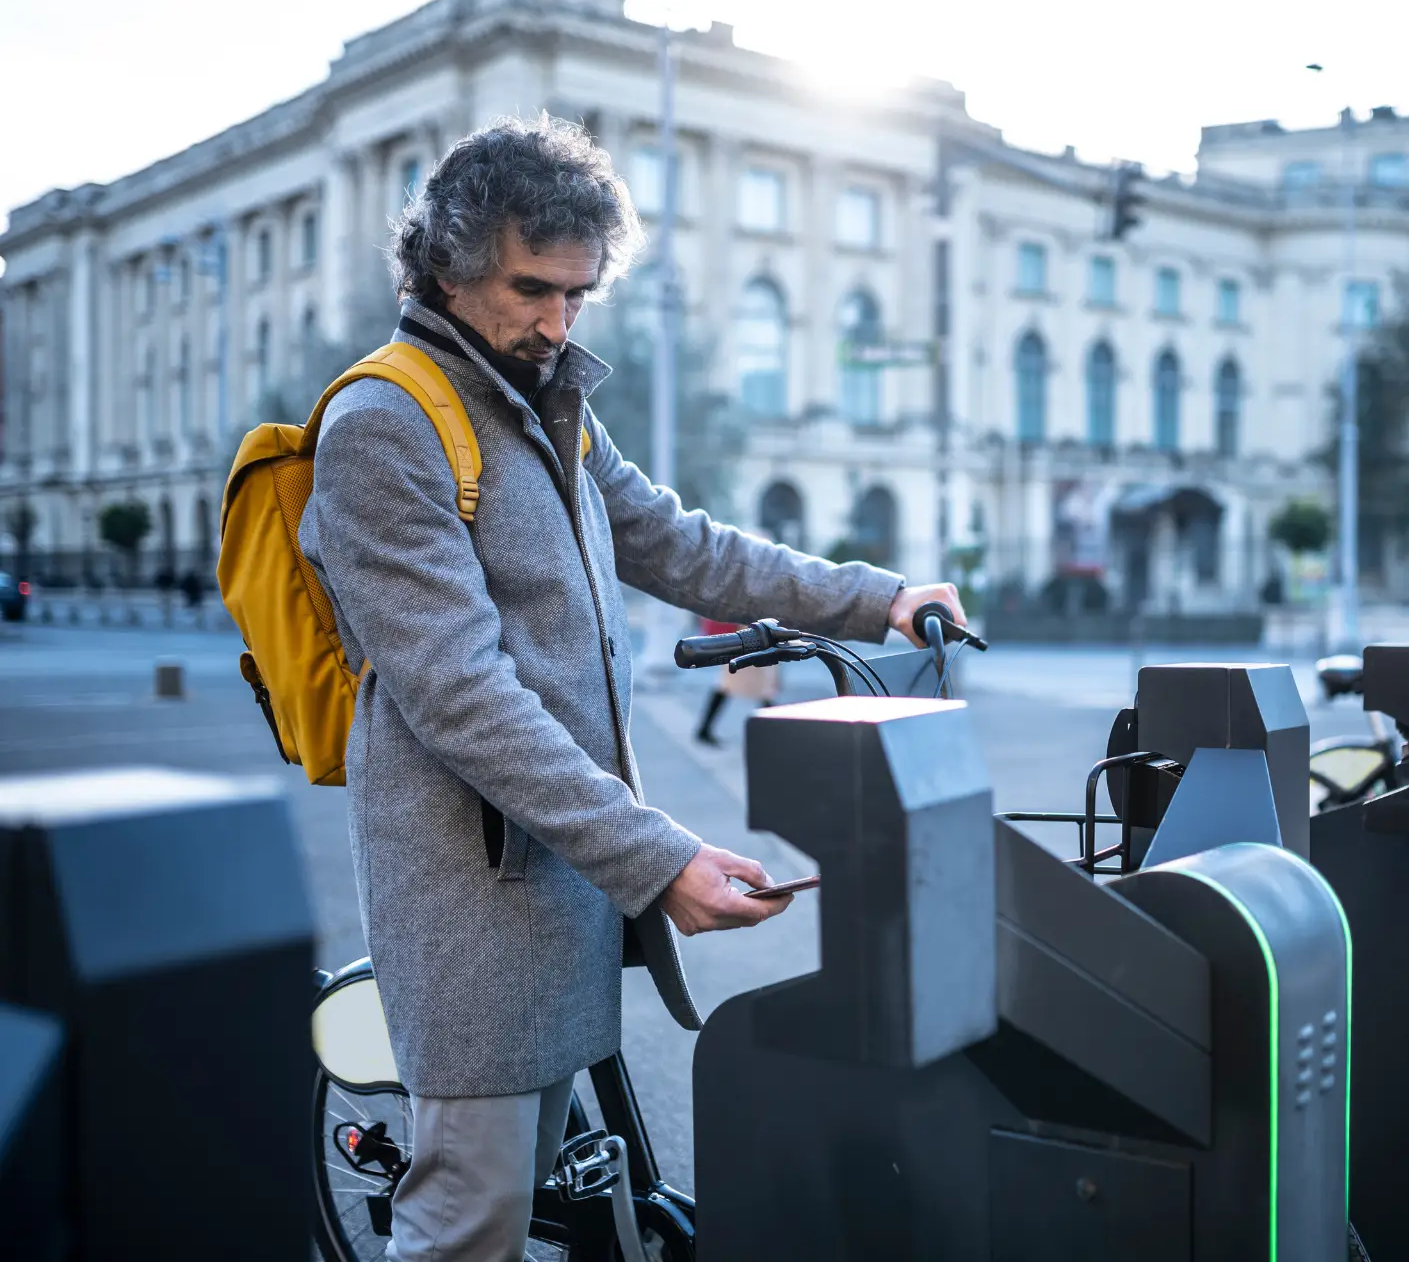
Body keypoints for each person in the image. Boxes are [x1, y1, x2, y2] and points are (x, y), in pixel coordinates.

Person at [297, 114, 965, 1261]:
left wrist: (877, 595)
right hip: (473, 891)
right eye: (533, 289)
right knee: (469, 1222)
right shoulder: (383, 425)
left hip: (565, 864)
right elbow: (463, 696)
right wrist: (660, 857)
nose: (560, 321)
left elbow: (680, 543)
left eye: (581, 293)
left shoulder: (543, 397)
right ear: (447, 266)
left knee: (546, 1192)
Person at [691, 614, 780, 746]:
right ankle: (775, 733)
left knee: (735, 684)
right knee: (762, 687)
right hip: (749, 634)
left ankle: (704, 729)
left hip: (748, 634)